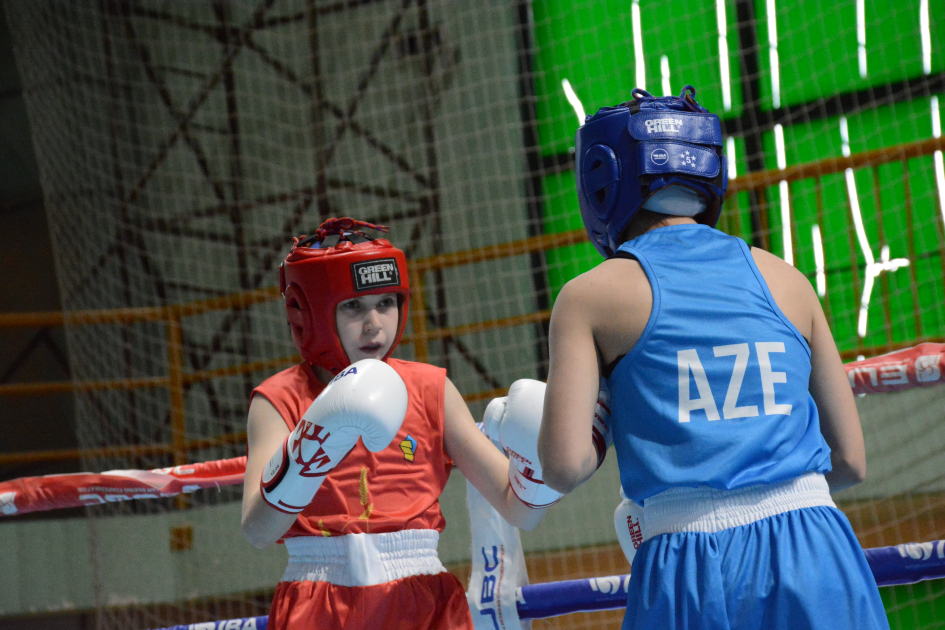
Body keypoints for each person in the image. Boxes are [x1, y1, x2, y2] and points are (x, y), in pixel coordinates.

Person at [536, 86, 890, 629]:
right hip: (818, 548)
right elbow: (850, 461)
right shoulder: (788, 278)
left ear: (602, 176)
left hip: (690, 561)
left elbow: (562, 468)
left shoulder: (589, 297)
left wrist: (600, 418)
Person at [240, 218, 553, 630]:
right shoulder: (278, 399)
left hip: (422, 596)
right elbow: (258, 531)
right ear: (310, 313)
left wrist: (543, 467)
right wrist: (310, 448)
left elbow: (520, 510)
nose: (374, 324)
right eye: (353, 307)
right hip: (318, 597)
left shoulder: (430, 388)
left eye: (386, 302)